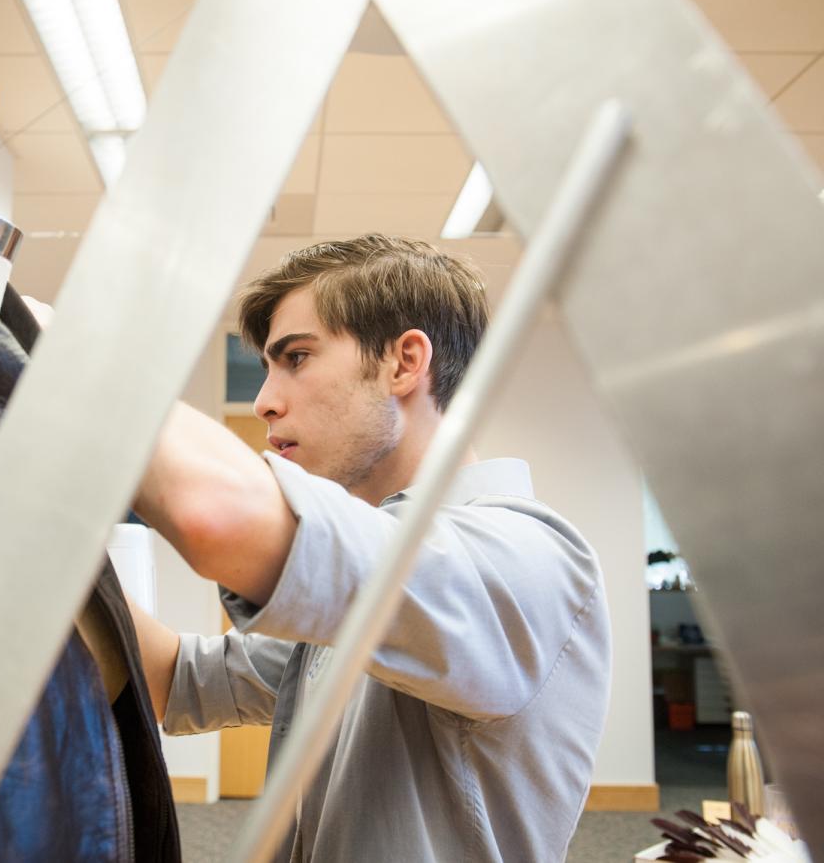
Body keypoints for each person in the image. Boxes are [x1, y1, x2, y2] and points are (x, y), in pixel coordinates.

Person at [128, 234, 612, 862]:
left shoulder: (526, 556)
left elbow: (218, 519)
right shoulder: (378, 569)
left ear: (405, 363)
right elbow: (181, 680)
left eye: (296, 358)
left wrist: (76, 374)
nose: (264, 400)